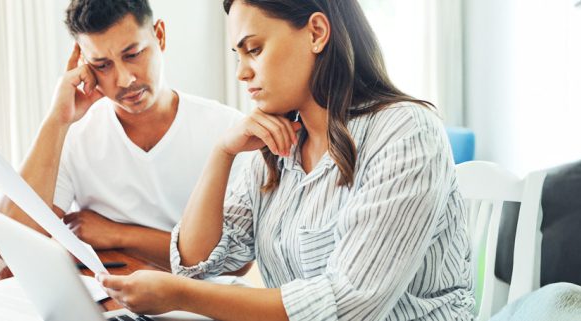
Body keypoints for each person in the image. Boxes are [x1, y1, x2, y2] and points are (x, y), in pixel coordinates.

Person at [97, 0, 475, 320]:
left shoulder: (406, 132)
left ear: (316, 33)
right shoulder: (278, 145)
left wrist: (181, 296)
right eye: (238, 55)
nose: (242, 72)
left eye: (254, 49)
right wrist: (222, 153)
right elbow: (197, 261)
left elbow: (349, 303)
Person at [0, 0, 247, 268]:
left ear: (159, 35)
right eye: (102, 65)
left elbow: (237, 261)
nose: (125, 79)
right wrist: (56, 121)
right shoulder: (74, 134)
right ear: (84, 64)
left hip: (203, 294)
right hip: (110, 291)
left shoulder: (226, 129)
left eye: (133, 54)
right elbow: (10, 242)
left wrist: (117, 234)